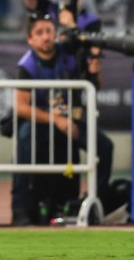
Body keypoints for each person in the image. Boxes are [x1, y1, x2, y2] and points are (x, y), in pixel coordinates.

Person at [10, 12, 113, 226]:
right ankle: (19, 207)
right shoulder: (26, 66)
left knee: (105, 147)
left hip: (71, 121)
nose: (46, 37)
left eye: (49, 31)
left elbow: (94, 86)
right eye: (40, 33)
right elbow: (20, 107)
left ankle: (95, 202)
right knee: (24, 139)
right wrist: (55, 120)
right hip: (41, 122)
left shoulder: (69, 56)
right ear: (30, 39)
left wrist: (95, 69)